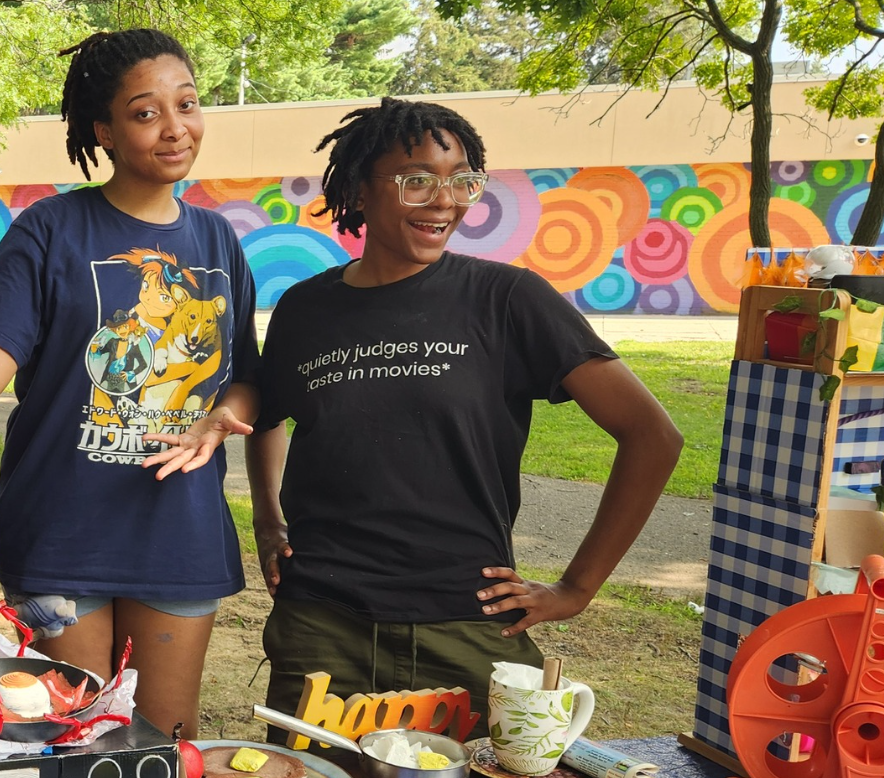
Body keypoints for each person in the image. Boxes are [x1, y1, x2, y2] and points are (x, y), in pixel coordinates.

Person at [0, 30, 260, 738]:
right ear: (104, 129)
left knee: (164, 739)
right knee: (67, 737)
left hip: (179, 536)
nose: (173, 126)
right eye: (144, 111)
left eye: (186, 104)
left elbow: (245, 377)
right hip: (64, 536)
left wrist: (220, 417)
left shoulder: (217, 241)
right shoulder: (51, 229)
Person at [244, 97, 684, 736]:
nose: (443, 200)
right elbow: (268, 415)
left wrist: (577, 588)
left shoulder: (508, 300)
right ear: (359, 190)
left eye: (462, 180)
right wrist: (266, 519)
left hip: (468, 624)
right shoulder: (306, 309)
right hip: (322, 625)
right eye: (417, 179)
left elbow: (652, 436)